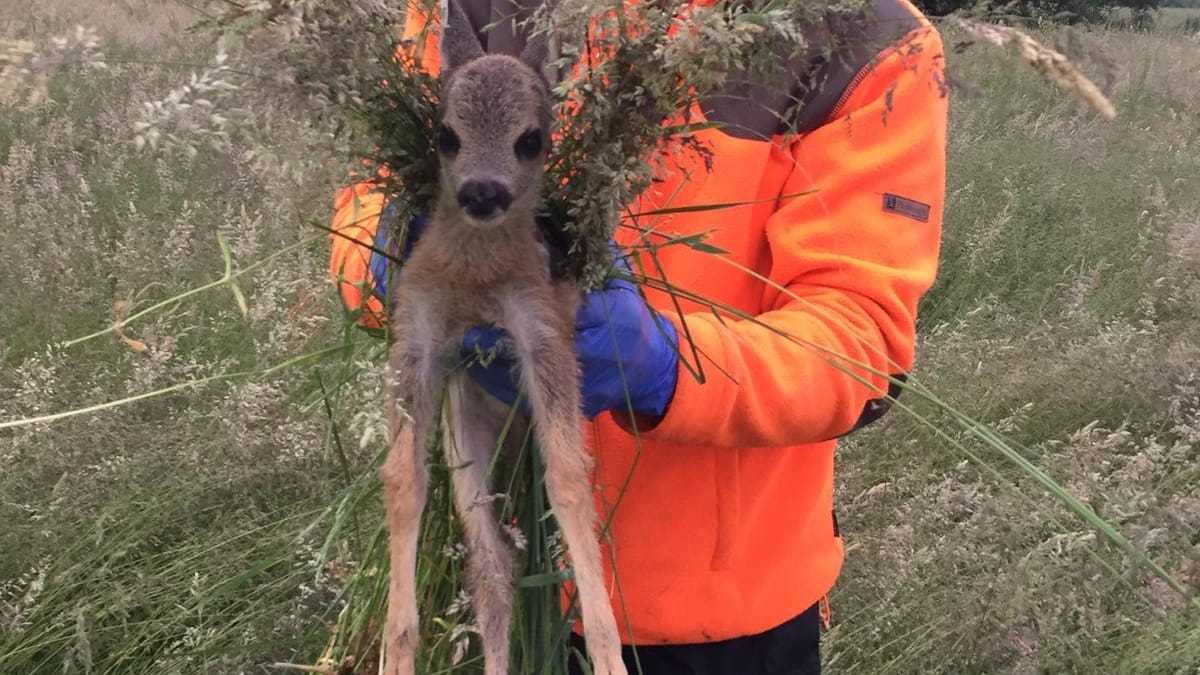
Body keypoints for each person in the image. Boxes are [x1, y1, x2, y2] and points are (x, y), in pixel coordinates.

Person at [328, 0, 948, 672]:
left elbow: (860, 345)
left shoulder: (861, 33)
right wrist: (389, 255)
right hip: (488, 576)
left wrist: (667, 366)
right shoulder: (472, 8)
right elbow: (374, 189)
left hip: (715, 625)